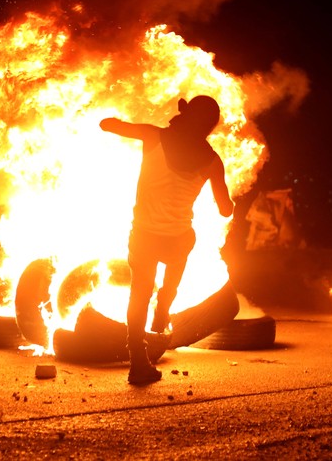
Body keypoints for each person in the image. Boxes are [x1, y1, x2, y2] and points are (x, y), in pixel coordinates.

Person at [100, 95, 235, 385]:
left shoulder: (153, 136)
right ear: (209, 127)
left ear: (185, 116)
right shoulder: (212, 161)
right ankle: (164, 305)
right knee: (183, 248)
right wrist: (228, 201)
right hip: (176, 239)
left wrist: (113, 123)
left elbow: (107, 125)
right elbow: (225, 210)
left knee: (139, 293)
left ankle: (138, 360)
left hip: (144, 236)